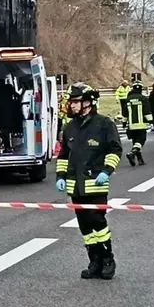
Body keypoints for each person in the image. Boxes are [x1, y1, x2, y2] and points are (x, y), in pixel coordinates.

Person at [55, 82, 123, 280]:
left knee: (97, 221)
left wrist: (107, 171)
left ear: (88, 102)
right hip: (75, 186)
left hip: (95, 184)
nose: (72, 105)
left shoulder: (104, 124)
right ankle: (94, 261)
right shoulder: (69, 127)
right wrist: (60, 176)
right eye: (71, 102)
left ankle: (107, 259)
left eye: (76, 101)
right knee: (84, 225)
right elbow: (64, 155)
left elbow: (115, 149)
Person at [125, 80, 153, 166]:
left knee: (135, 142)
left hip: (131, 125)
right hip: (141, 125)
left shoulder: (128, 99)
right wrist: (151, 121)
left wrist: (124, 122)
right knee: (141, 141)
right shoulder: (143, 98)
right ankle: (132, 153)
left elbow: (125, 113)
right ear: (141, 88)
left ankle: (140, 159)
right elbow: (147, 111)